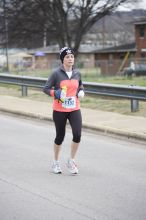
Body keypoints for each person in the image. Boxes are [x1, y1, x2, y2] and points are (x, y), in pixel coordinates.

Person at [43, 47, 85, 175]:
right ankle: (55, 162)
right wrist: (56, 93)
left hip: (74, 108)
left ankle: (71, 160)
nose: (70, 59)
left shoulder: (77, 73)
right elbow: (45, 88)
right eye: (67, 57)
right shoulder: (56, 73)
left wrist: (81, 91)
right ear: (62, 59)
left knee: (77, 135)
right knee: (60, 136)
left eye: (72, 57)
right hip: (59, 109)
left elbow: (80, 84)